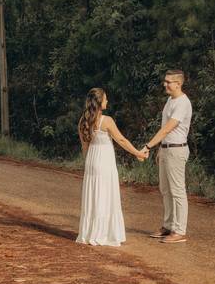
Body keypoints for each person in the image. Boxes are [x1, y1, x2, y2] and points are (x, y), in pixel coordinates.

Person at [76, 87, 148, 246]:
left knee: (94, 196)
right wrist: (138, 153)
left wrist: (88, 164)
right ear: (100, 102)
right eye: (106, 99)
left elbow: (84, 147)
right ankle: (104, 233)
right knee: (105, 195)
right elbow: (121, 140)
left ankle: (90, 232)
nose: (107, 101)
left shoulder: (83, 121)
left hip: (92, 161)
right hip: (104, 162)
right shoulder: (106, 120)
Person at [142, 70, 193, 244]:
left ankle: (179, 231)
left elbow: (167, 129)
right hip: (166, 149)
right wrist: (160, 149)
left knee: (177, 190)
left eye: (169, 82)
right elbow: (165, 128)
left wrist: (148, 146)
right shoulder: (170, 100)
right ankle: (168, 225)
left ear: (179, 83)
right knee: (165, 189)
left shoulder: (182, 103)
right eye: (165, 81)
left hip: (177, 150)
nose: (165, 84)